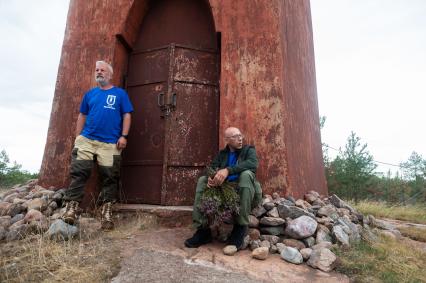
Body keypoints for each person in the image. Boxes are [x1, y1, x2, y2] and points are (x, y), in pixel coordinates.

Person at [61, 60, 134, 230]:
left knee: (110, 177)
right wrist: (78, 137)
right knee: (79, 172)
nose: (99, 72)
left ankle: (105, 213)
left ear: (109, 74)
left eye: (102, 70)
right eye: (97, 70)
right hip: (87, 140)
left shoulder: (120, 94)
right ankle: (71, 209)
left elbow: (127, 115)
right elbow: (82, 115)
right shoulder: (90, 94)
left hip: (110, 143)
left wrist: (124, 136)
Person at [184, 127, 262, 249]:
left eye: (240, 135)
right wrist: (212, 177)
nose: (240, 139)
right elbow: (213, 167)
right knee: (202, 180)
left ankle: (240, 227)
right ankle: (203, 230)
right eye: (235, 137)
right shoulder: (222, 154)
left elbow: (253, 164)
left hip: (245, 191)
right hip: (226, 192)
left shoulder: (249, 150)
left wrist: (227, 170)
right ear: (227, 140)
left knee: (246, 175)